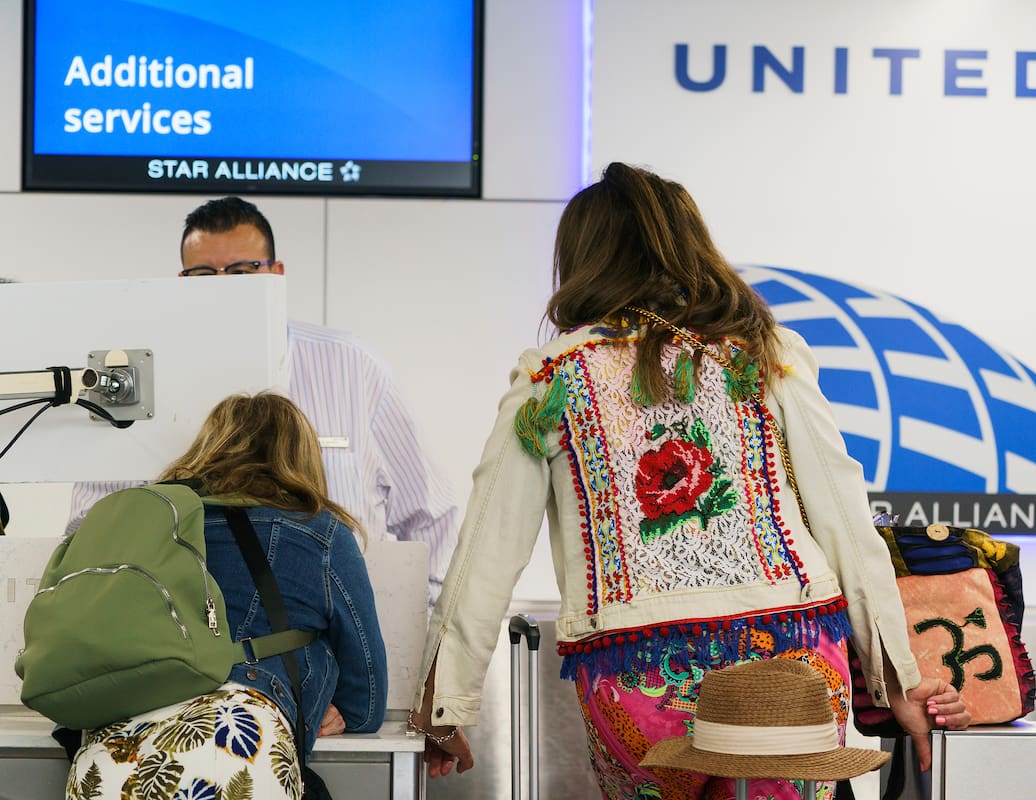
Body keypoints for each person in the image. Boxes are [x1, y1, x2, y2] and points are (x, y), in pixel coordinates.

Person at [408, 163, 970, 799]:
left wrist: (445, 704)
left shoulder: (552, 375)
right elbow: (844, 522)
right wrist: (899, 682)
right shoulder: (765, 353)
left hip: (635, 668)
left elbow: (487, 550)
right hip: (792, 661)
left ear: (581, 258)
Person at [68, 196, 456, 605]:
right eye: (203, 274)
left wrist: (428, 627)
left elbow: (432, 516)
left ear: (276, 274)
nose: (222, 287)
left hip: (339, 628)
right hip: (183, 630)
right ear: (183, 281)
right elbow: (86, 526)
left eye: (241, 271)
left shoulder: (353, 367)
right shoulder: (139, 381)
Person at [66, 392, 388, 800]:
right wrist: (336, 709)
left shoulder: (144, 524)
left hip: (108, 759)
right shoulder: (322, 535)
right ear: (301, 458)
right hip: (233, 754)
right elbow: (366, 699)